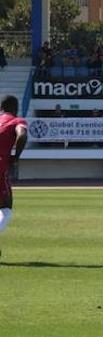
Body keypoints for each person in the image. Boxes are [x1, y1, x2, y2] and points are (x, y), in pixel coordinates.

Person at [0, 96, 28, 258]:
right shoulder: (16, 120)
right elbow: (22, 135)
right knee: (6, 208)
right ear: (14, 107)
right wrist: (16, 157)